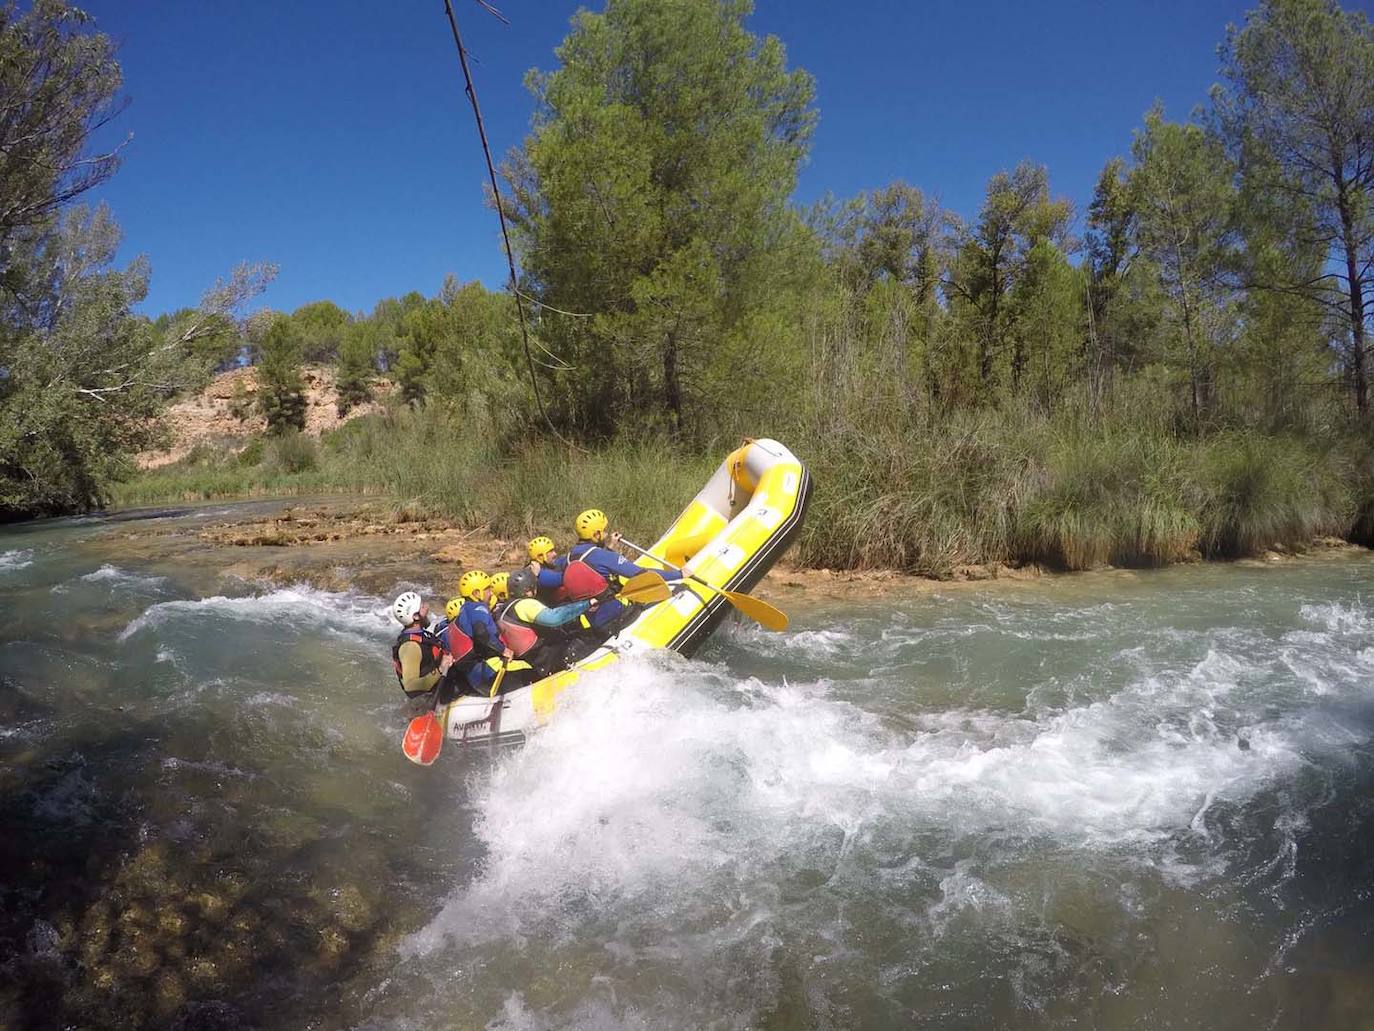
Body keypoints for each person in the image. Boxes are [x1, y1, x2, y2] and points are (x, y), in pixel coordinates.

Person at [557, 509, 682, 635]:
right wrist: (680, 574)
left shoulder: (567, 560)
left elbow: (594, 569)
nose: (607, 533)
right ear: (596, 535)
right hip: (623, 616)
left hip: (599, 625)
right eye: (604, 531)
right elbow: (644, 574)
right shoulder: (601, 556)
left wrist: (609, 548)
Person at [498, 569, 600, 676]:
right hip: (550, 657)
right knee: (589, 637)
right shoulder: (525, 604)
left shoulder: (502, 610)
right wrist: (586, 604)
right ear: (528, 590)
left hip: (534, 662)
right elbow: (554, 618)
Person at [453, 570, 538, 696]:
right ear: (477, 593)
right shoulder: (478, 608)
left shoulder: (463, 610)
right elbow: (481, 633)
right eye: (487, 589)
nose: (491, 593)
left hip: (476, 676)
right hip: (491, 671)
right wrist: (503, 650)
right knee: (534, 671)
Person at [390, 591, 458, 712]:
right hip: (428, 700)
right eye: (422, 606)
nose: (426, 607)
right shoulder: (410, 647)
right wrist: (441, 669)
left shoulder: (421, 634)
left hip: (440, 687)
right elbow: (411, 686)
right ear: (415, 616)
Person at [526, 535, 566, 603]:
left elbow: (563, 559)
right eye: (551, 551)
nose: (555, 554)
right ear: (540, 557)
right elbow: (564, 578)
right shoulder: (538, 575)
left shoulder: (548, 564)